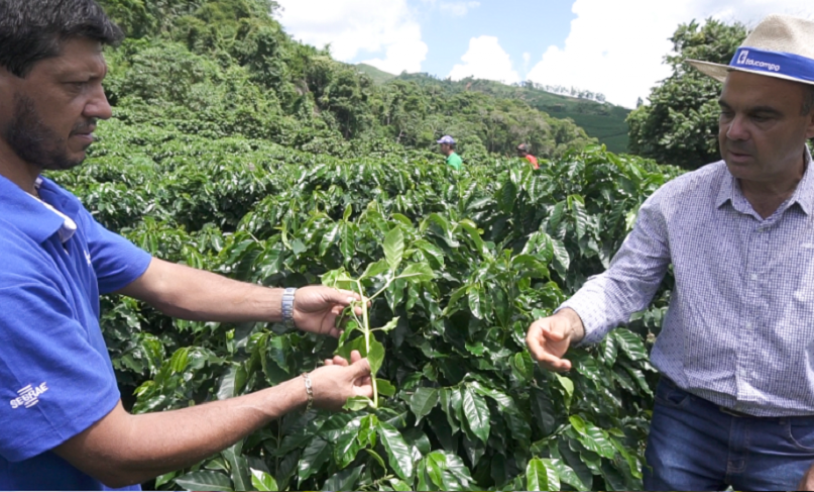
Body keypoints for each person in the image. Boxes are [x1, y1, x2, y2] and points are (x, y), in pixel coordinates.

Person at [0, 1, 372, 490]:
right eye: (75, 86)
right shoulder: (8, 271)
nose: (103, 106)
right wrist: (300, 390)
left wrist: (288, 305)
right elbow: (116, 452)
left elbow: (160, 279)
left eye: (100, 83)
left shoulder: (49, 203)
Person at [525, 14, 814, 492]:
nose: (735, 130)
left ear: (810, 120)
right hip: (687, 422)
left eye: (762, 116)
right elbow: (624, 283)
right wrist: (568, 321)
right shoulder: (678, 202)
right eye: (728, 112)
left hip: (798, 436)